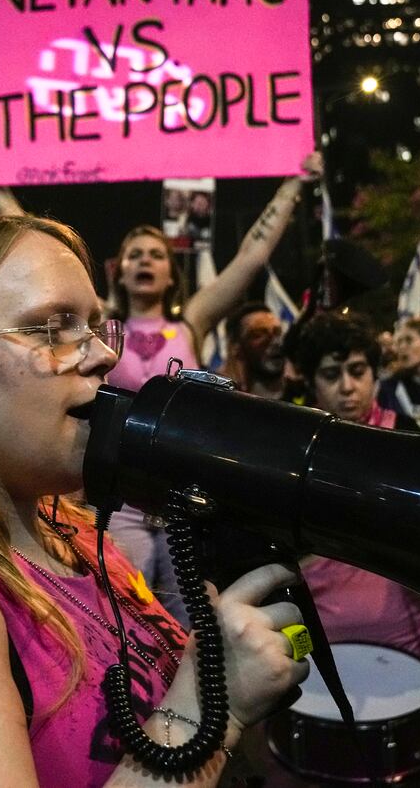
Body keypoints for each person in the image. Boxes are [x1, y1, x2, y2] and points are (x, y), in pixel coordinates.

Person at [0, 212, 309, 787]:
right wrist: (211, 706)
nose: (101, 356)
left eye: (93, 325)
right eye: (53, 328)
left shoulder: (72, 531)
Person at [106, 155, 321, 622]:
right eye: (134, 254)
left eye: (156, 254)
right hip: (121, 499)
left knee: (195, 620)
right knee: (126, 615)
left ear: (170, 273)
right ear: (118, 272)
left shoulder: (193, 322)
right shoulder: (101, 326)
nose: (145, 260)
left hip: (186, 497)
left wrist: (292, 185)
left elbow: (251, 256)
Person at [290, 311, 420, 787]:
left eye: (358, 371)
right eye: (331, 376)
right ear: (312, 382)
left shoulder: (414, 439)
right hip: (324, 662)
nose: (347, 387)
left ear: (376, 374)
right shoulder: (291, 455)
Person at [220, 303, 295, 401]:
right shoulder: (228, 401)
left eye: (277, 332)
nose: (276, 342)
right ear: (235, 347)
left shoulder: (308, 397)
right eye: (259, 334)